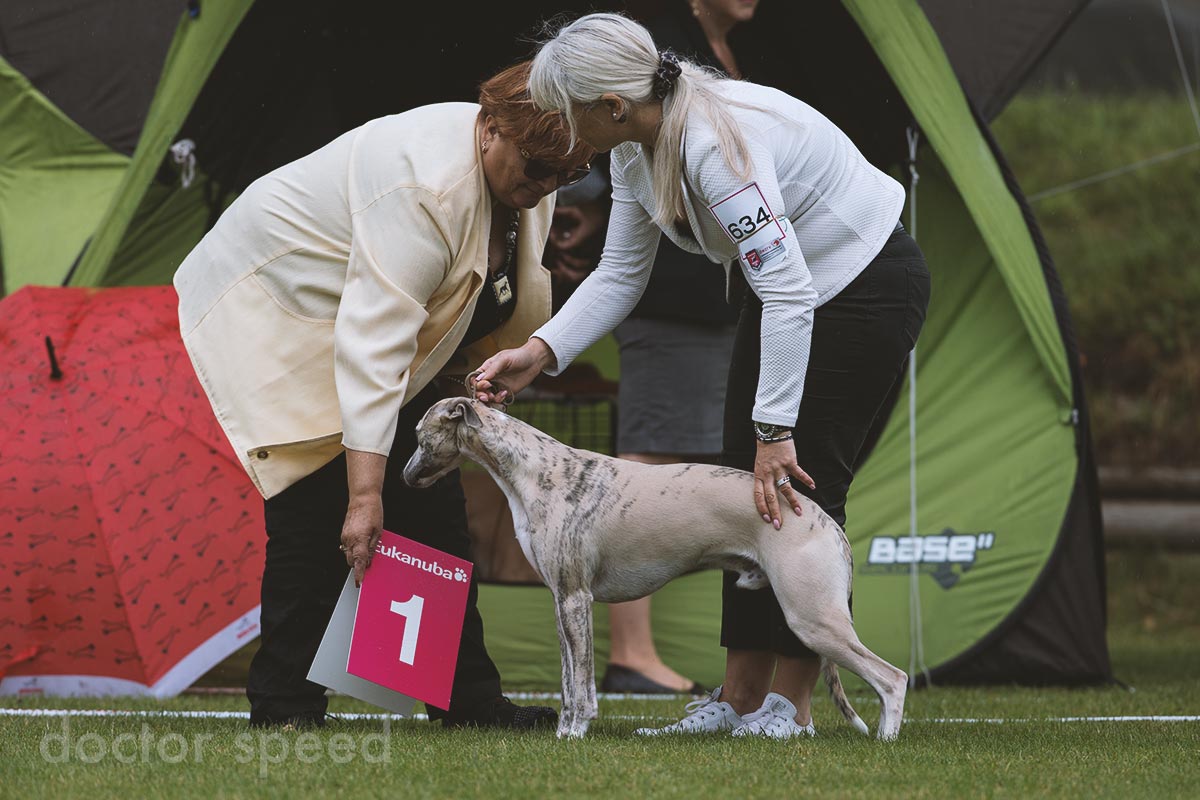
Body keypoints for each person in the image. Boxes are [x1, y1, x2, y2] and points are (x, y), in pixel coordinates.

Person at [473, 13, 931, 738]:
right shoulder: (633, 144)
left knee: (796, 481)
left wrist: (776, 431)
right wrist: (542, 349)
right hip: (793, 293)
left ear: (612, 107)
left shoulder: (717, 145)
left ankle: (791, 706)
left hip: (864, 284)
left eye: (569, 112)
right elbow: (622, 272)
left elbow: (788, 290)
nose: (562, 129)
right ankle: (739, 697)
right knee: (736, 485)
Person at [173, 61, 593, 730]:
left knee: (429, 503)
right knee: (318, 506)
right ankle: (284, 704)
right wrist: (365, 496)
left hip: (380, 330)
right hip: (281, 303)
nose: (544, 187)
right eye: (538, 167)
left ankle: (464, 702)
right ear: (490, 130)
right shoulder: (422, 183)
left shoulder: (522, 177)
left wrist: (469, 376)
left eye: (565, 176)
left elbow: (481, 296)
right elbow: (374, 347)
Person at [545, 0, 762, 697]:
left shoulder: (710, 60)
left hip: (720, 301)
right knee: (644, 461)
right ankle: (632, 653)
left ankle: (725, 669)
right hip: (667, 304)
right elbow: (626, 193)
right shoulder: (657, 56)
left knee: (687, 462)